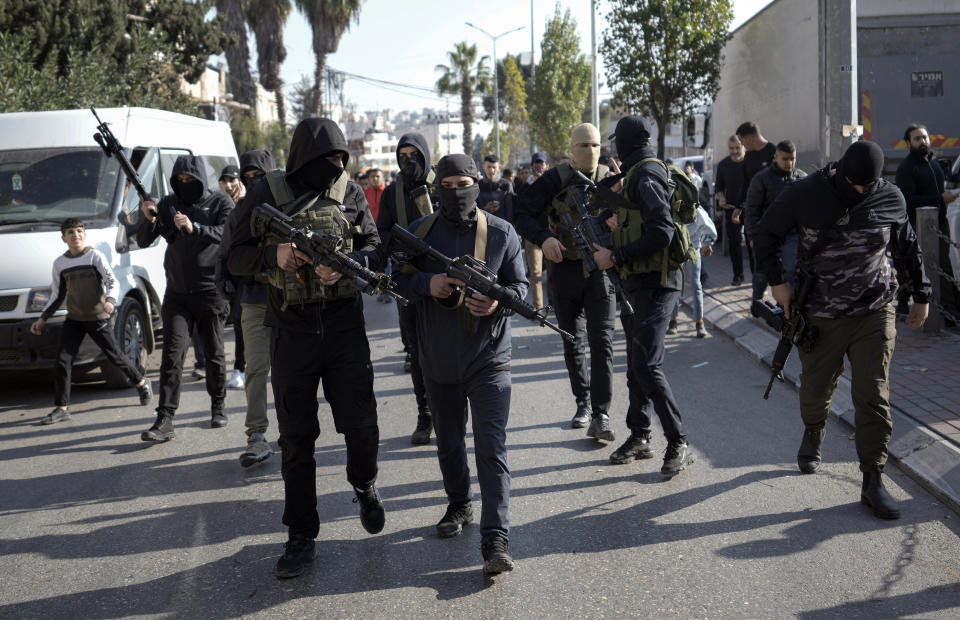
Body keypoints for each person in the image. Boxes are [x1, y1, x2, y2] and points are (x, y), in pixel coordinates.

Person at [227, 118, 385, 579]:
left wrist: (349, 266)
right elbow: (234, 255)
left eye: (341, 159)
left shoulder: (349, 192)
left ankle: (365, 483)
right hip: (291, 332)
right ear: (304, 159)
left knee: (361, 425)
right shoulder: (265, 195)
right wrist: (272, 257)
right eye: (328, 159)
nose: (336, 166)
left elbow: (374, 246)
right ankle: (300, 535)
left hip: (344, 330)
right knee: (296, 440)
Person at [754, 140, 930, 520]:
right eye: (856, 185)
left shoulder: (889, 198)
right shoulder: (805, 193)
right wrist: (777, 282)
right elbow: (764, 232)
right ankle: (814, 429)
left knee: (873, 395)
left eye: (869, 186)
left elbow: (907, 245)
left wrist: (921, 293)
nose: (862, 192)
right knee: (815, 393)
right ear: (841, 173)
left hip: (875, 311)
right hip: (820, 317)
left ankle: (873, 479)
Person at [393, 154, 526, 575]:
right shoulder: (420, 232)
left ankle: (496, 538)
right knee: (449, 442)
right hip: (438, 357)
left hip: (489, 358)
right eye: (446, 185)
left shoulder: (501, 233)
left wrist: (496, 301)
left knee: (491, 446)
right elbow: (394, 278)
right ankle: (458, 504)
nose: (455, 191)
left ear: (476, 184)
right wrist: (426, 283)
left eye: (463, 183)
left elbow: (521, 286)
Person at [592, 115, 695, 477]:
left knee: (648, 364)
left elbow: (663, 232)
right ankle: (640, 435)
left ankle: (679, 441)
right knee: (637, 364)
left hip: (657, 282)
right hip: (638, 282)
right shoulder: (635, 174)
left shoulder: (647, 174)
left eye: (615, 143)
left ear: (624, 143)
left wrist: (614, 256)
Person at [515, 123, 617, 440]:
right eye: (583, 145)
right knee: (573, 341)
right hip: (564, 270)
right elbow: (521, 212)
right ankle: (583, 403)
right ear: (572, 147)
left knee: (603, 342)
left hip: (601, 272)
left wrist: (620, 222)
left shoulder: (610, 179)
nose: (590, 151)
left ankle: (601, 413)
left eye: (595, 145)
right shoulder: (554, 178)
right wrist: (544, 238)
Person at [137, 155, 233, 440]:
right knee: (172, 356)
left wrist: (195, 227)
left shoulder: (220, 203)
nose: (184, 185)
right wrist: (147, 217)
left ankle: (218, 406)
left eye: (190, 180)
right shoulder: (168, 203)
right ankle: (164, 418)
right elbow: (145, 239)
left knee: (213, 353)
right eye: (179, 180)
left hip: (210, 291)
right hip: (177, 293)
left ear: (202, 179)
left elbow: (227, 234)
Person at [30, 218, 152, 424]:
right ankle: (62, 408)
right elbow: (57, 295)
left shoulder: (94, 256)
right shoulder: (60, 263)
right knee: (62, 360)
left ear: (84, 235)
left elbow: (111, 282)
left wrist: (111, 302)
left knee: (114, 355)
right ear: (63, 238)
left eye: (79, 231)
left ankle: (141, 383)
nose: (75, 235)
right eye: (70, 232)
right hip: (74, 319)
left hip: (97, 317)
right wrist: (43, 318)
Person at [376, 132, 437, 444]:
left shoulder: (442, 186)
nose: (408, 160)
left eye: (415, 154)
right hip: (409, 281)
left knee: (449, 349)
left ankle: (450, 412)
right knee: (416, 352)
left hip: (444, 280)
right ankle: (424, 414)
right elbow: (381, 232)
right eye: (403, 155)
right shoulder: (391, 193)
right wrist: (395, 249)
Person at [223, 149, 277, 468]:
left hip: (290, 300)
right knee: (256, 368)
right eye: (248, 178)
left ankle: (295, 430)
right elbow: (228, 254)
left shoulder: (290, 205)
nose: (253, 183)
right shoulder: (240, 211)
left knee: (289, 372)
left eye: (260, 176)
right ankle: (256, 434)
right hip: (254, 299)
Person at [895, 124, 959, 318]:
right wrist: (940, 199)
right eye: (917, 138)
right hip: (919, 226)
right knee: (922, 266)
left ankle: (949, 308)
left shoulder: (934, 162)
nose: (923, 141)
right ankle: (939, 310)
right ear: (908, 143)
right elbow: (909, 200)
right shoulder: (907, 168)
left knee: (944, 265)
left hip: (940, 222)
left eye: (925, 137)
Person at [743, 140, 806, 300]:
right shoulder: (762, 179)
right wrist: (752, 236)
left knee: (790, 270)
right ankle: (756, 302)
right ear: (775, 157)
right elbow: (752, 209)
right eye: (785, 159)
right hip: (766, 235)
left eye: (793, 159)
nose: (789, 163)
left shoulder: (801, 178)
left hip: (791, 235)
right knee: (762, 274)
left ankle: (784, 310)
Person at [667, 205, 717, 338]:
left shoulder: (694, 206)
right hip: (675, 249)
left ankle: (699, 322)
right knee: (674, 284)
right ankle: (673, 320)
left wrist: (707, 243)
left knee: (695, 285)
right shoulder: (670, 203)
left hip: (692, 248)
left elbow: (707, 224)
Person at [219, 165, 247, 391]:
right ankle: (240, 368)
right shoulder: (221, 204)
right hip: (235, 273)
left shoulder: (250, 201)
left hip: (255, 270)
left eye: (232, 180)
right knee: (239, 323)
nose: (228, 185)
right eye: (224, 180)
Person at [715, 136, 748, 284]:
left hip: (750, 209)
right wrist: (721, 198)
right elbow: (719, 187)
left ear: (743, 147)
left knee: (754, 242)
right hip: (732, 209)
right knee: (734, 243)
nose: (734, 151)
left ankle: (759, 278)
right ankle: (738, 275)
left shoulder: (750, 163)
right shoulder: (723, 165)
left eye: (737, 147)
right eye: (731, 148)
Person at [520, 152, 549, 309]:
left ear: (546, 166)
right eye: (535, 164)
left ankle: (556, 304)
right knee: (536, 273)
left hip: (551, 234)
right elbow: (523, 210)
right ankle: (538, 308)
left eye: (541, 164)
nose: (538, 167)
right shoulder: (526, 187)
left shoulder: (552, 184)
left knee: (553, 272)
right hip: (533, 235)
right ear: (532, 167)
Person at [478, 154, 514, 224]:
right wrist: (484, 210)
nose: (491, 170)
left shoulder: (506, 185)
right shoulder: (477, 186)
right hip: (483, 227)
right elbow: (473, 209)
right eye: (488, 167)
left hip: (503, 226)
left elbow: (510, 211)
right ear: (483, 167)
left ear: (499, 168)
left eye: (494, 167)